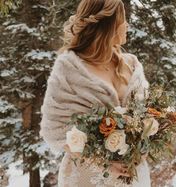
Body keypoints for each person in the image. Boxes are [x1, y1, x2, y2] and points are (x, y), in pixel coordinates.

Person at [39, 0, 150, 186]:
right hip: (88, 176)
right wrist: (103, 162)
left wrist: (144, 144)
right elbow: (55, 130)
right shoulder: (69, 68)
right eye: (123, 19)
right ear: (108, 25)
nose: (127, 25)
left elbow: (149, 116)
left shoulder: (131, 65)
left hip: (133, 176)